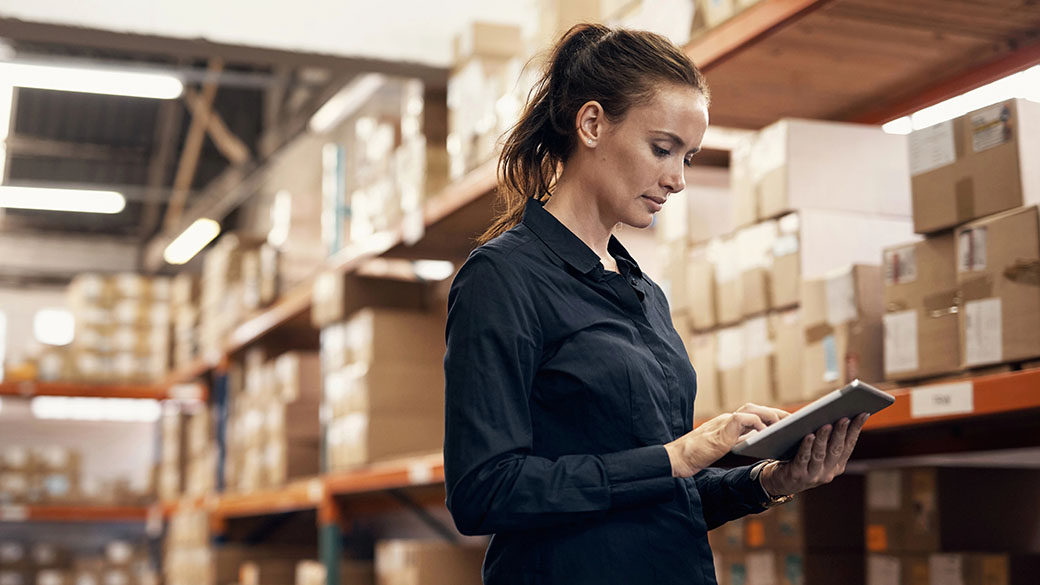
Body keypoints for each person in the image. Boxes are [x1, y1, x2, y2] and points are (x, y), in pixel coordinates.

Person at [442, 23, 868, 585]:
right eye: (662, 149)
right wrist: (681, 455)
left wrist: (769, 480)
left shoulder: (644, 292)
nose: (677, 179)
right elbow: (483, 492)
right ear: (591, 123)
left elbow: (664, 501)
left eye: (687, 158)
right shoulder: (502, 277)